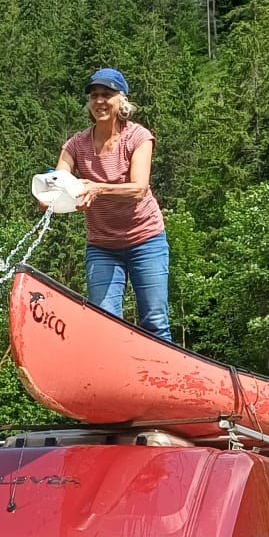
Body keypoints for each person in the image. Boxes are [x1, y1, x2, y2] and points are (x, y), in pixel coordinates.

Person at [55, 68, 169, 341]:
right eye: (94, 95)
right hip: (102, 247)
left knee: (154, 321)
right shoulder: (76, 144)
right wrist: (47, 196)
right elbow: (58, 178)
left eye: (107, 94)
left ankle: (160, 379)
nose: (99, 101)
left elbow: (139, 189)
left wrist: (97, 188)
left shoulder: (138, 137)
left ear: (123, 101)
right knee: (104, 323)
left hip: (146, 240)